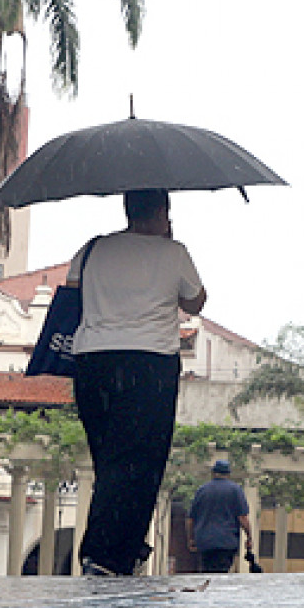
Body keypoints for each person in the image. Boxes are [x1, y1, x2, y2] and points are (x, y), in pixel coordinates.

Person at [70, 189, 206, 576]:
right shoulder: (173, 252)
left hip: (93, 362)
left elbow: (73, 287)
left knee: (110, 461)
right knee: (143, 462)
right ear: (163, 211)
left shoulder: (93, 249)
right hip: (149, 364)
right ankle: (104, 553)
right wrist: (164, 246)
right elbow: (196, 302)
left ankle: (121, 549)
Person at [187, 459, 253, 573]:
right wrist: (249, 537)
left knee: (207, 571)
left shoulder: (202, 491)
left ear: (213, 473)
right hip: (226, 542)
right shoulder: (235, 490)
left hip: (205, 542)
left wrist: (191, 538)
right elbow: (242, 518)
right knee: (221, 573)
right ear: (228, 474)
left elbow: (190, 519)